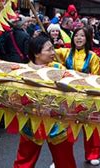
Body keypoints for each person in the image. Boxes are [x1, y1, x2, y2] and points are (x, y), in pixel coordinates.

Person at [14, 35, 76, 168]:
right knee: (24, 161)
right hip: (31, 121)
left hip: (58, 122)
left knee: (65, 161)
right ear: (37, 53)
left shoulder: (58, 68)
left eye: (53, 49)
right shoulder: (22, 72)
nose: (53, 53)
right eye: (49, 50)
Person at [55, 28, 100, 166]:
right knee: (63, 128)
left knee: (89, 126)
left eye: (82, 35)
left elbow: (96, 77)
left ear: (87, 38)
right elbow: (49, 54)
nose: (79, 38)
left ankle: (93, 154)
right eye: (76, 35)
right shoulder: (65, 52)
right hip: (67, 95)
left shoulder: (93, 56)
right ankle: (57, 158)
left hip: (86, 96)